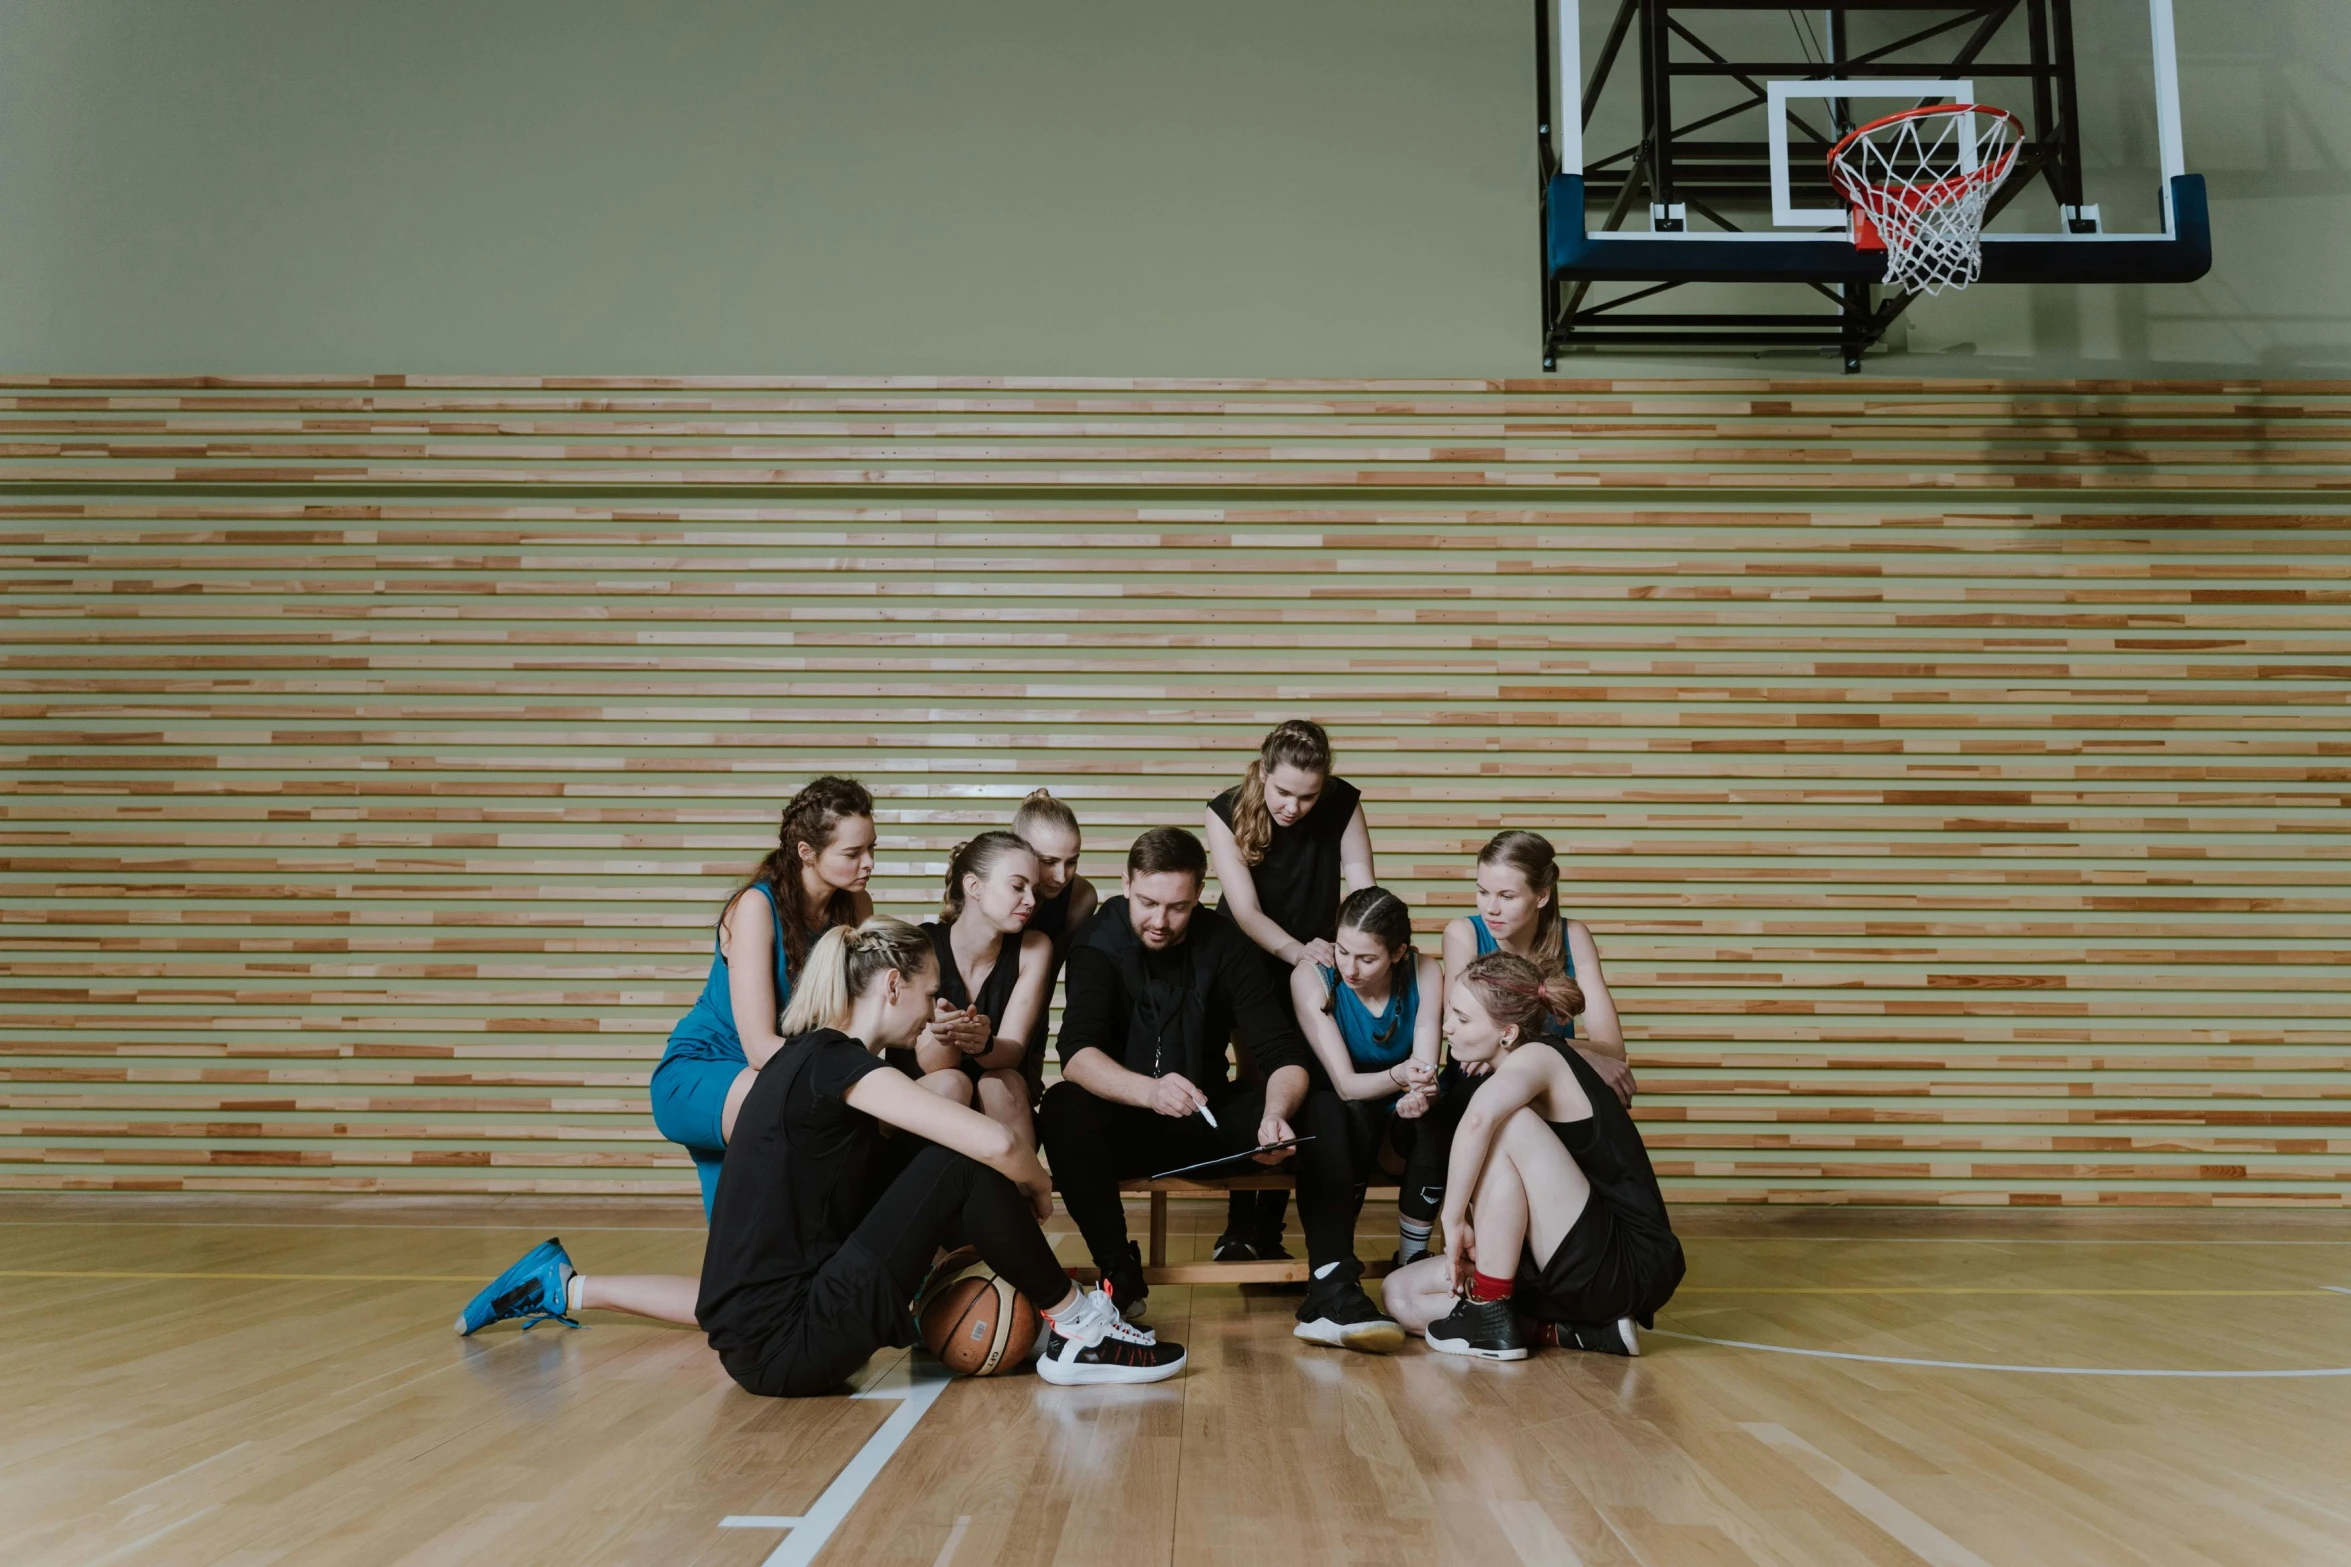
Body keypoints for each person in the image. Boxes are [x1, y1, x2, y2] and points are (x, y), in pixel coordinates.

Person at [457, 919, 1187, 1392]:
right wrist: (1037, 1190)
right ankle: (1079, 1327)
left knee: (939, 1160)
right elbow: (994, 1143)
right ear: (892, 985)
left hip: (764, 1339)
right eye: (930, 996)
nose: (934, 1013)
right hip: (793, 1342)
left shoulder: (804, 1062)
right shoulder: (836, 1064)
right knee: (962, 1157)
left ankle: (1063, 1321)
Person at [1036, 827, 1401, 1351]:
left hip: (1205, 1122)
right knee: (1063, 1106)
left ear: (1201, 895)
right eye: (1147, 903)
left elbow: (1284, 1055)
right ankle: (1120, 1278)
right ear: (1125, 884)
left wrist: (1275, 1114)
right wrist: (1149, 1091)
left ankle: (1331, 1288)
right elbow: (1076, 1056)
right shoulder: (1096, 941)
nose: (1160, 921)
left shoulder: (1225, 942)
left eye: (1178, 907)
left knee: (1321, 1104)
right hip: (1122, 1125)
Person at [1382, 952, 1684, 1362]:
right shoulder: (1507, 1064)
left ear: (1507, 1034)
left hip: (1622, 1262)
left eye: (1463, 1019)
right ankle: (1568, 1332)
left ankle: (1489, 1309)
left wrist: (1453, 1221)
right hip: (1557, 1257)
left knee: (1507, 1124)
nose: (1447, 1026)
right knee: (1400, 1294)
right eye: (1448, 1012)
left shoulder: (1539, 1057)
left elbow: (1477, 1123)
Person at [650, 776, 876, 1216]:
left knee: (744, 1269)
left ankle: (575, 1288)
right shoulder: (755, 907)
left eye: (872, 848)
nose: (867, 863)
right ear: (806, 853)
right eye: (852, 854)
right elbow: (759, 1048)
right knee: (829, 1115)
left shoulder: (857, 906)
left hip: (778, 1079)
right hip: (707, 1071)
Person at [1203, 719, 1374, 1261]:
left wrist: (1365, 950)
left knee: (1303, 1082)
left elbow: (1362, 887)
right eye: (1283, 793)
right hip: (1246, 958)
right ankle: (1238, 1225)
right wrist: (1298, 949)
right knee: (1256, 1080)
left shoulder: (1343, 803)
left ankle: (1267, 1229)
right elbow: (1246, 912)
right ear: (1263, 771)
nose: (1293, 807)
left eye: (1308, 796)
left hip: (1313, 958)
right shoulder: (1223, 810)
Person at [1290, 887, 1451, 1267]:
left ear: (1398, 953)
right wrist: (1401, 1075)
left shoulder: (1425, 970)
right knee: (1354, 1112)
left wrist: (1419, 1093)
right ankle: (1340, 1262)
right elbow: (1346, 1085)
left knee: (1434, 1118)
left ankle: (1412, 1261)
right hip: (1343, 1110)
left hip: (1398, 1118)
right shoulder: (1312, 977)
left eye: (1366, 958)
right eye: (1342, 951)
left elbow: (1425, 1066)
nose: (1349, 969)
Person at [884, 831, 1055, 1154]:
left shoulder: (1034, 948)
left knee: (998, 1082)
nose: (1031, 901)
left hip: (1000, 1099)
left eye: (1034, 890)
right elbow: (932, 1064)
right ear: (974, 886)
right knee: (953, 1083)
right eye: (1018, 887)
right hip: (929, 1091)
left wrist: (983, 1043)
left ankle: (1024, 1201)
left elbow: (1012, 1051)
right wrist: (949, 1036)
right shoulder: (921, 945)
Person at [1441, 829, 1634, 1107]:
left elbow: (1613, 1051)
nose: (1490, 909)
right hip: (1476, 1087)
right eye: (1483, 892)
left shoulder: (1574, 937)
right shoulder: (1463, 933)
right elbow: (1464, 1037)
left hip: (1551, 1085)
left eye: (1507, 896)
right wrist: (1579, 1052)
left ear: (1541, 896)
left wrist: (1518, 1046)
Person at [1009, 788, 1098, 1105]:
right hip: (974, 1000)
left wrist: (1029, 1053)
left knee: (1022, 1095)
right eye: (1048, 862)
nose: (1061, 876)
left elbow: (1045, 981)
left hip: (1030, 1006)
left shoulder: (1081, 897)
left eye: (1071, 862)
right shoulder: (986, 885)